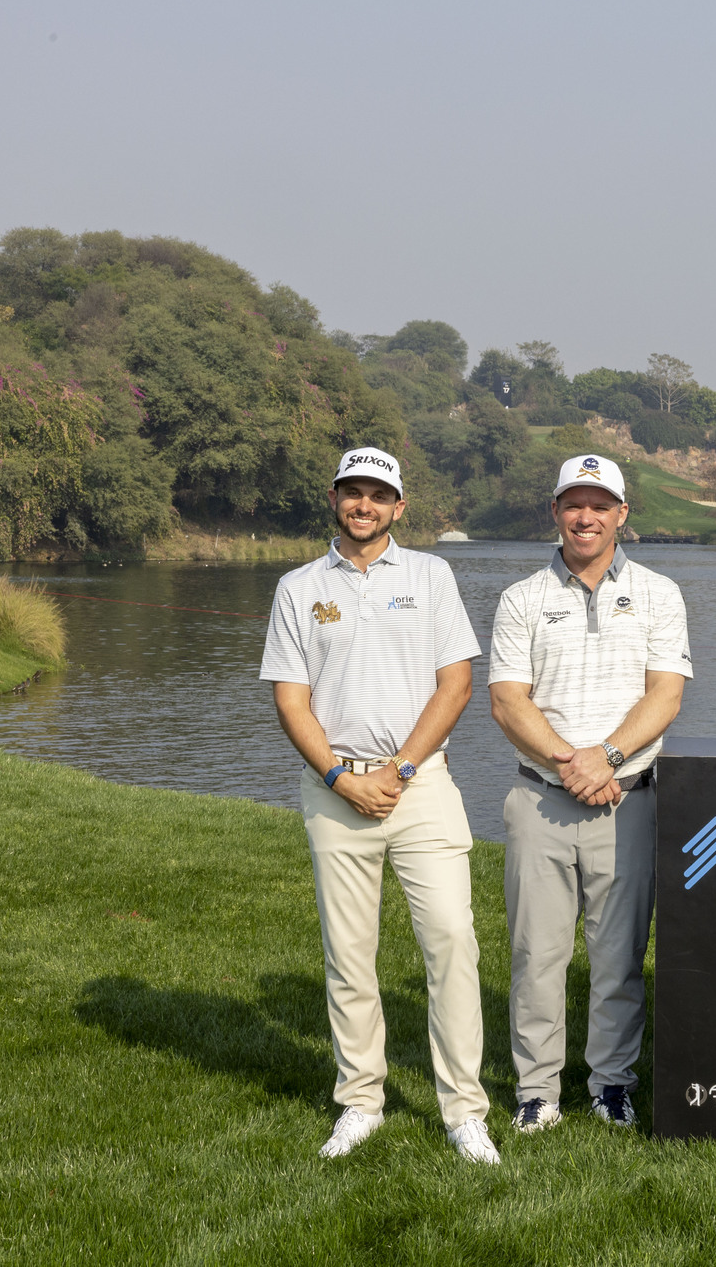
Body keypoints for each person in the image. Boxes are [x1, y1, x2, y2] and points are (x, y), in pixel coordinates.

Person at [260, 446, 497, 1163]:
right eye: (353, 492)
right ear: (334, 498)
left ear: (399, 507)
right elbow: (289, 697)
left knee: (452, 940)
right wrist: (340, 777)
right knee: (349, 954)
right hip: (336, 790)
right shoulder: (299, 586)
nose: (365, 504)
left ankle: (464, 1111)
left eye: (379, 494)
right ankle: (360, 1100)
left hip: (419, 786)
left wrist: (399, 768)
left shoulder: (431, 574)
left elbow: (454, 683)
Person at [488, 453, 691, 1132]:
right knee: (537, 955)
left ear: (622, 515)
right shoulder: (521, 597)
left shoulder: (661, 593)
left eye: (600, 504)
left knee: (619, 956)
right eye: (574, 503)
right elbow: (508, 701)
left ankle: (610, 1084)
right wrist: (570, 761)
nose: (586, 516)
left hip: (629, 797)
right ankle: (538, 1091)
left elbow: (666, 693)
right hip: (542, 796)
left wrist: (606, 757)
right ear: (555, 511)